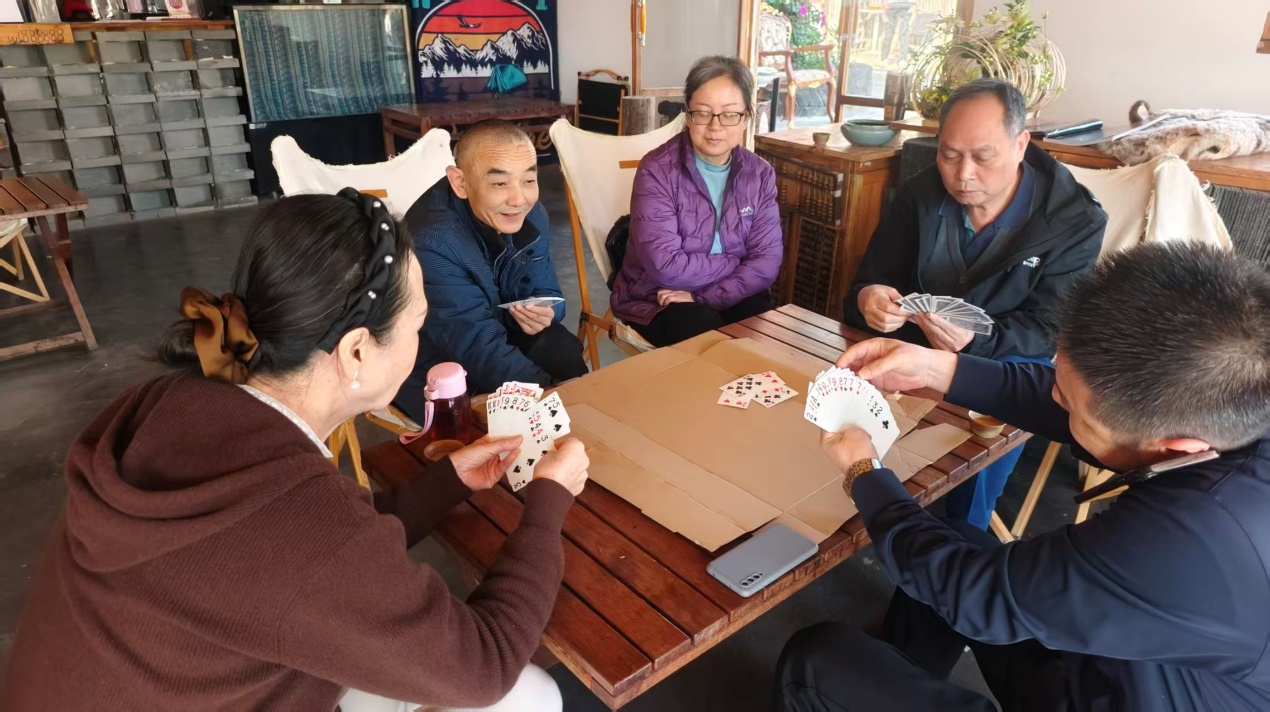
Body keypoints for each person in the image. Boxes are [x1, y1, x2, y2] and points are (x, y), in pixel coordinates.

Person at [0, 190, 592, 712]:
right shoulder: (303, 528)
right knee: (529, 696)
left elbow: (298, 551)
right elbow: (484, 666)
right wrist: (548, 501)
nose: (421, 337)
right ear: (357, 351)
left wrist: (447, 481)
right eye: (417, 325)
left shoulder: (168, 399)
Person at [775, 242, 1270, 711]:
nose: (1054, 396)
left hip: (1128, 691)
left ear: (1176, 447)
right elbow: (1063, 396)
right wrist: (938, 368)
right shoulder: (1236, 400)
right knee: (950, 537)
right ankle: (905, 671)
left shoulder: (1185, 542)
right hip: (1121, 659)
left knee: (815, 661)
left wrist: (864, 472)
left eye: (1071, 406)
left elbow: (972, 592)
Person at [844, 78, 1107, 531]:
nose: (963, 174)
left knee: (970, 482)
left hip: (1005, 361)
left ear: (1021, 144)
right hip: (911, 344)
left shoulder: (1073, 220)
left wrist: (977, 342)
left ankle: (965, 535)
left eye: (983, 157)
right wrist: (869, 298)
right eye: (949, 155)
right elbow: (871, 279)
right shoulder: (920, 194)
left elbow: (1051, 329)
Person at [397, 119, 588, 421]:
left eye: (529, 180)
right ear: (460, 182)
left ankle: (586, 419)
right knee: (529, 416)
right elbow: (475, 345)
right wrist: (550, 397)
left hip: (499, 330)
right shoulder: (432, 242)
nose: (519, 199)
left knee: (561, 348)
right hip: (438, 362)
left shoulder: (531, 214)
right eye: (499, 183)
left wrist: (550, 311)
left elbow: (548, 289)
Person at [609, 55, 783, 348]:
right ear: (688, 115)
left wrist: (704, 296)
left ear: (746, 117)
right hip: (655, 296)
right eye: (703, 113)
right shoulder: (656, 170)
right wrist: (736, 261)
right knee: (702, 330)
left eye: (730, 114)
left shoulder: (759, 174)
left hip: (722, 290)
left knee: (760, 321)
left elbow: (767, 263)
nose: (715, 126)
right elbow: (666, 267)